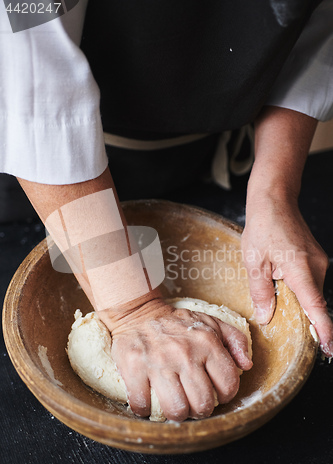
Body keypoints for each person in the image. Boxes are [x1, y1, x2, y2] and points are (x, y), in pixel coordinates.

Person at [1, 0, 333, 421]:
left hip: (195, 150)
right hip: (38, 176)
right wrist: (132, 310)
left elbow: (316, 23)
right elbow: (30, 66)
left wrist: (274, 191)